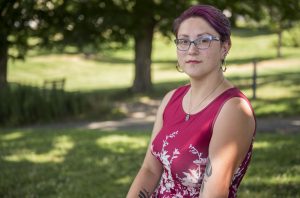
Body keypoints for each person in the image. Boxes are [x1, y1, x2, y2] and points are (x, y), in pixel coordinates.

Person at [127, 4, 256, 198]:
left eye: (203, 40)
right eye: (184, 41)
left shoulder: (233, 109)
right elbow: (150, 170)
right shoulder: (171, 99)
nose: (191, 50)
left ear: (225, 47)